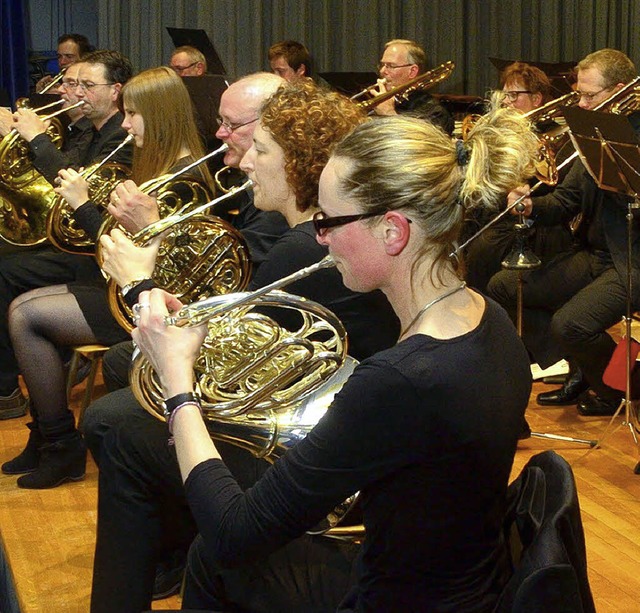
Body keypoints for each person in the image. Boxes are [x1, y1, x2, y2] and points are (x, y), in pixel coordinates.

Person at [127, 107, 537, 612]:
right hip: (467, 580)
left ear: (393, 231)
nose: (318, 237)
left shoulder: (402, 379)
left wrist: (177, 382)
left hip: (400, 601)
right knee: (208, 559)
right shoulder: (489, 315)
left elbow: (235, 534)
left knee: (215, 552)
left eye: (328, 221)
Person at [89, 79, 404, 612]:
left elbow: (225, 351)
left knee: (111, 422)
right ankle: (172, 543)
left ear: (301, 163)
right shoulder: (304, 238)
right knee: (122, 401)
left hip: (316, 452)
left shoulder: (306, 249)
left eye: (260, 149)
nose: (245, 161)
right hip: (309, 417)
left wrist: (140, 285)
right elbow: (234, 329)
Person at [0, 66, 213, 489]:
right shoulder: (159, 160)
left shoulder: (185, 178)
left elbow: (135, 257)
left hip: (151, 304)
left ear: (160, 115)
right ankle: (48, 435)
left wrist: (82, 204)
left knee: (27, 317)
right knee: (20, 303)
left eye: (133, 113)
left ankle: (61, 444)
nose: (127, 122)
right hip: (125, 288)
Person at [89, 72, 290, 395]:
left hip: (241, 338)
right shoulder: (241, 182)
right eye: (219, 121)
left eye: (232, 125)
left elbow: (227, 284)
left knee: (114, 387)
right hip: (199, 315)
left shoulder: (276, 207)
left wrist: (154, 230)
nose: (219, 133)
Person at [487, 48, 640, 416]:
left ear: (621, 90)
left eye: (590, 96)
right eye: (579, 95)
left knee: (570, 324)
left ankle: (618, 388)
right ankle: (586, 369)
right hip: (595, 255)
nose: (581, 104)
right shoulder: (592, 133)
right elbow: (565, 202)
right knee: (505, 286)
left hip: (631, 259)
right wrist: (528, 204)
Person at [0, 49, 133, 420]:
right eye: (72, 83)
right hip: (70, 241)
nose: (73, 92)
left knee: (4, 272)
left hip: (90, 256)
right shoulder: (84, 132)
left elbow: (75, 188)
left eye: (86, 85)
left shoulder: (118, 141)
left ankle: (9, 386)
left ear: (115, 91)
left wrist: (36, 140)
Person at [463, 61, 573, 293]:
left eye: (514, 95)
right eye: (505, 95)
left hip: (536, 218)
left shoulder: (555, 135)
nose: (506, 102)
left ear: (537, 99)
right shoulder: (501, 130)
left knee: (484, 248)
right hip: (498, 209)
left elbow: (554, 187)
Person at [370, 38, 425, 116]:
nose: (382, 71)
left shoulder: (433, 111)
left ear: (412, 71)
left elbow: (412, 129)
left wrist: (388, 112)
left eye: (391, 66)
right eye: (382, 65)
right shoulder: (388, 102)